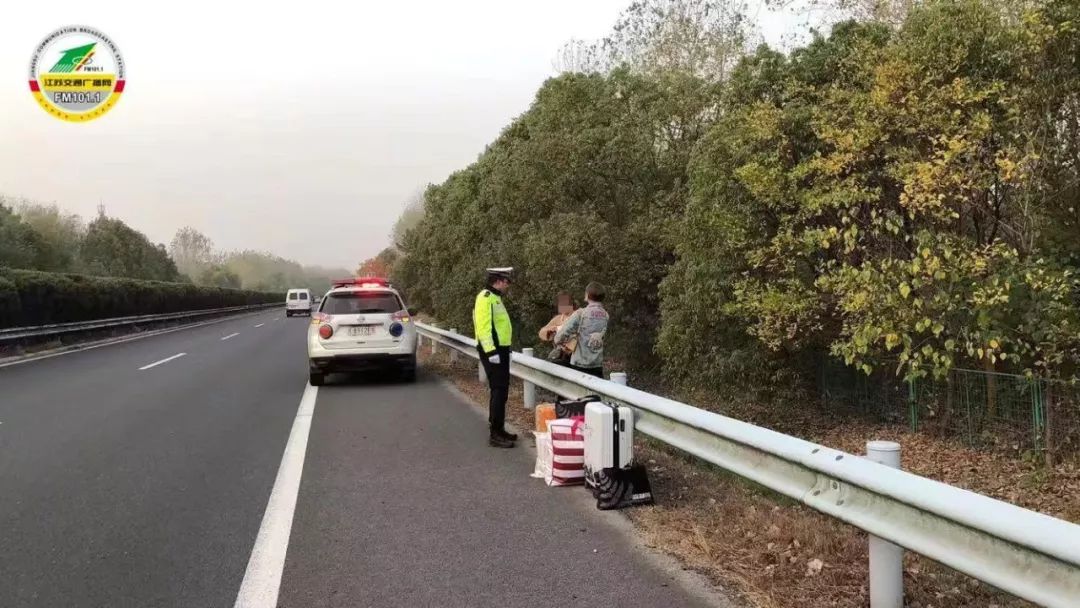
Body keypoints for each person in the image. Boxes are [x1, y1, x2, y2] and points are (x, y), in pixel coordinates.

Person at [473, 267, 517, 448]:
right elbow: (483, 327)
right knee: (498, 390)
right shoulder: (485, 298)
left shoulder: (495, 298)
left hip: (501, 350)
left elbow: (500, 327)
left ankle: (499, 428)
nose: (507, 285)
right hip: (493, 351)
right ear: (498, 281)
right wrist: (491, 351)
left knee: (502, 390)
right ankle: (495, 434)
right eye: (506, 281)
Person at [554, 282, 609, 378]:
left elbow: (561, 335)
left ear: (587, 295)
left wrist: (559, 340)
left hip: (579, 365)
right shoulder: (606, 315)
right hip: (597, 365)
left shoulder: (580, 313)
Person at [538, 291, 576, 365]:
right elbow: (541, 332)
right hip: (560, 354)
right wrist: (549, 330)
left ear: (571, 303)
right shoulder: (558, 318)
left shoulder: (577, 315)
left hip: (574, 354)